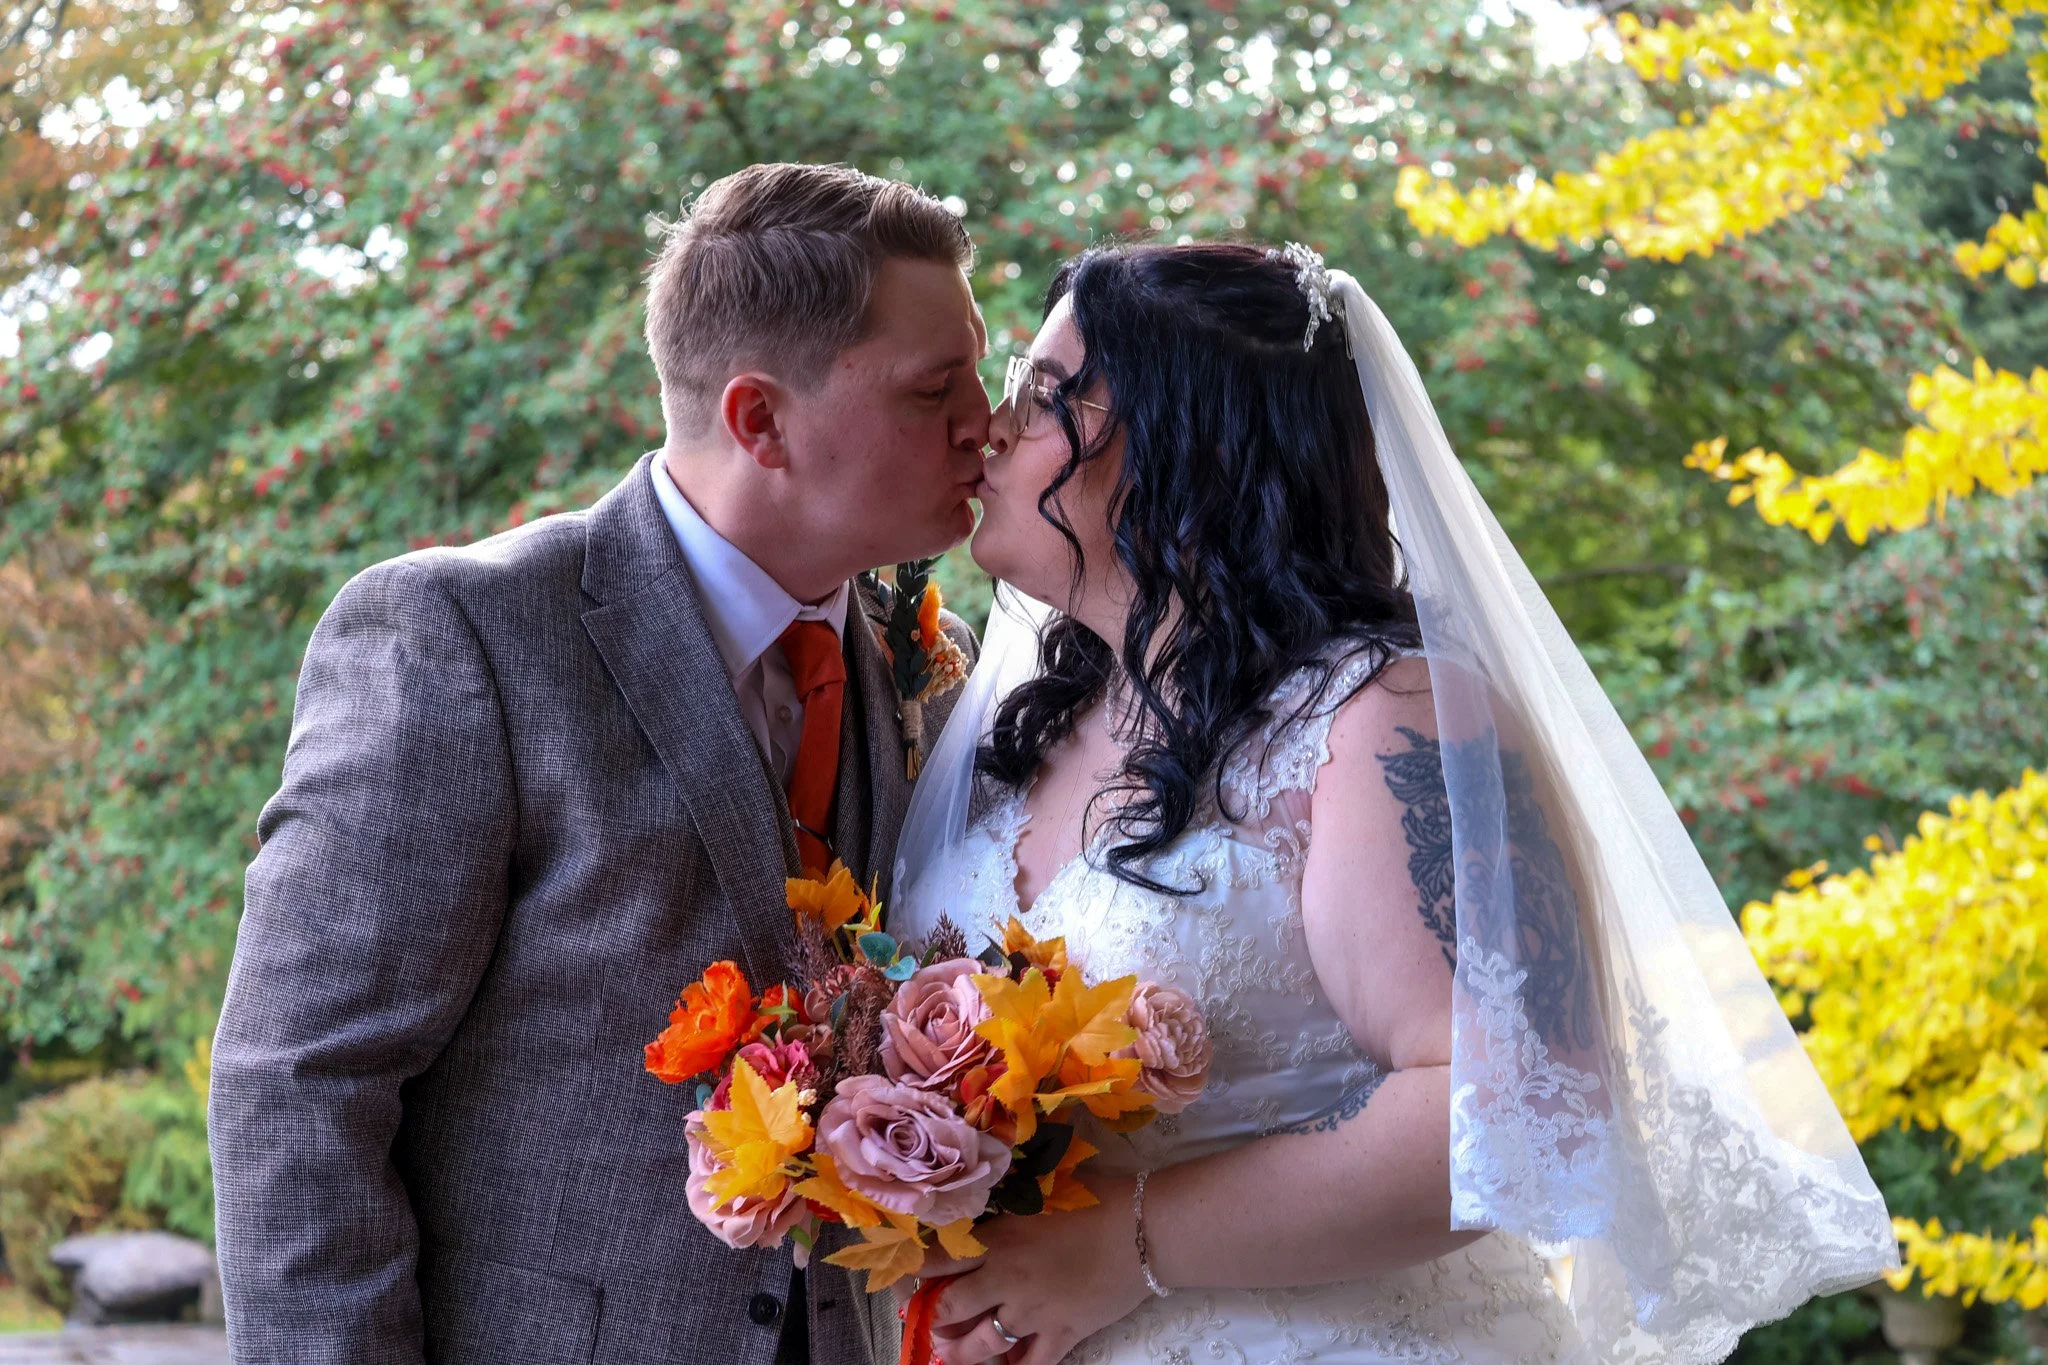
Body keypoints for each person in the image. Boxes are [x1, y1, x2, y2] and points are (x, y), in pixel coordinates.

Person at [887, 241, 1900, 1365]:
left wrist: (1124, 1246)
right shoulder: (1011, 724)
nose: (989, 430)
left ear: (1185, 440)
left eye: (1042, 395)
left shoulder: (1387, 717)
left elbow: (1507, 1112)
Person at [208, 162, 989, 1365]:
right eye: (933, 389)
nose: (982, 423)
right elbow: (300, 1081)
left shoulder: (926, 660)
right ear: (758, 420)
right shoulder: (462, 635)